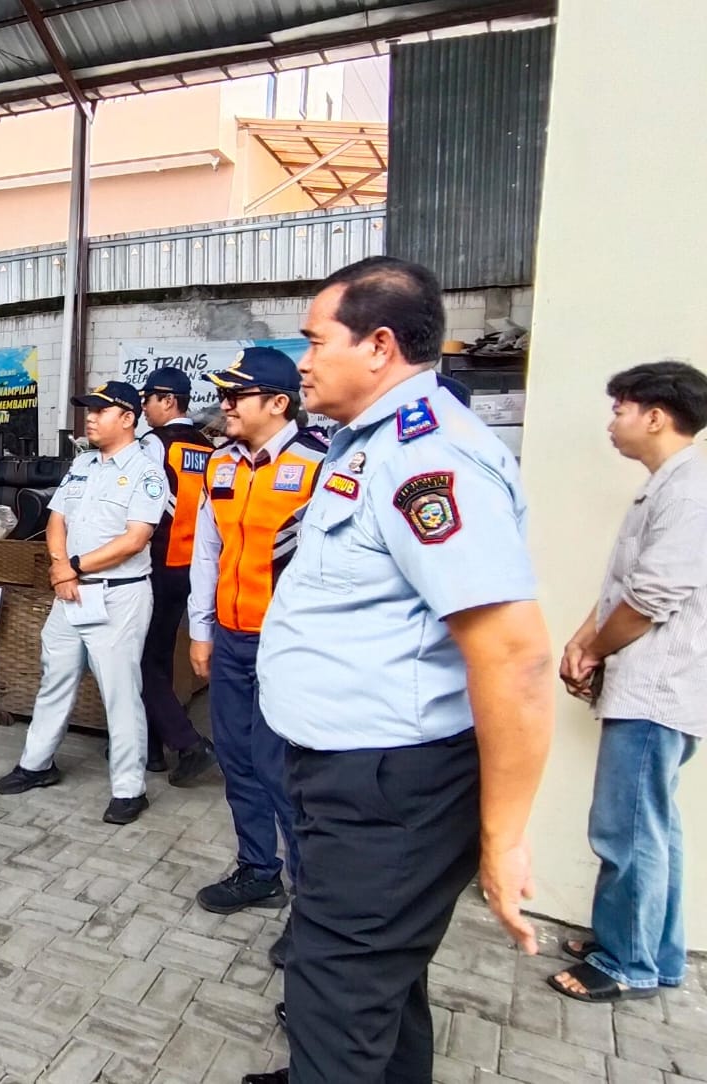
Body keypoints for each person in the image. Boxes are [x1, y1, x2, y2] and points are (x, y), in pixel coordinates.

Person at [242, 256, 552, 1084]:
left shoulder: (427, 461)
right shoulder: (367, 446)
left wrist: (504, 835)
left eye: (314, 341)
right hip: (350, 771)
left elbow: (515, 657)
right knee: (377, 974)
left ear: (378, 346)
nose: (301, 361)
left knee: (332, 992)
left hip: (391, 784)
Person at [549, 360, 707, 1005]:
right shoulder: (666, 485)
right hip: (646, 682)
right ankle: (653, 952)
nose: (612, 423)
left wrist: (595, 651)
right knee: (652, 828)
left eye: (619, 410)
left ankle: (629, 963)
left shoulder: (690, 491)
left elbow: (650, 597)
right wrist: (584, 641)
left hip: (657, 690)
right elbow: (622, 586)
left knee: (627, 829)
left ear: (655, 415)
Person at [187, 348, 326, 932]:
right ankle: (257, 870)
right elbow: (206, 552)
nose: (224, 405)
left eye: (236, 396)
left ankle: (311, 905)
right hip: (231, 638)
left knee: (282, 773)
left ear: (277, 402)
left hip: (289, 647)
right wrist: (201, 630)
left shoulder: (325, 463)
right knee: (237, 761)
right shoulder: (221, 465)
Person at [0, 381, 162, 825]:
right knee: (55, 679)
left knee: (120, 694)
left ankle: (129, 789)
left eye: (100, 410)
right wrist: (59, 566)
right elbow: (57, 519)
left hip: (117, 595)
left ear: (127, 419)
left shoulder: (146, 472)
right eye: (88, 409)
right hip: (70, 592)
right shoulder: (82, 464)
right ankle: (37, 764)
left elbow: (135, 538)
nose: (89, 417)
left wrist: (74, 567)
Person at [136, 367, 220, 785]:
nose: (143, 407)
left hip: (155, 563)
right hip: (192, 567)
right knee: (159, 654)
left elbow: (143, 507)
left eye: (147, 399)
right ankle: (154, 749)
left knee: (141, 660)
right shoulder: (207, 447)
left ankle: (189, 744)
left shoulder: (153, 444)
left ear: (168, 400)